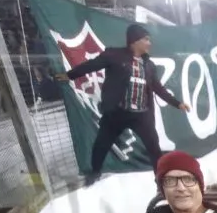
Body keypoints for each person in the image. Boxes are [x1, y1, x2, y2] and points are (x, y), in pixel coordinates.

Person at [55, 24, 191, 186]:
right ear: (134, 41)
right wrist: (69, 76)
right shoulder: (114, 55)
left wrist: (177, 103)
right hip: (116, 113)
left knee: (154, 147)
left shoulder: (149, 66)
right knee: (101, 144)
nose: (149, 43)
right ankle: (95, 172)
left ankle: (160, 178)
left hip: (141, 116)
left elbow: (158, 89)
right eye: (146, 39)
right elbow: (91, 65)